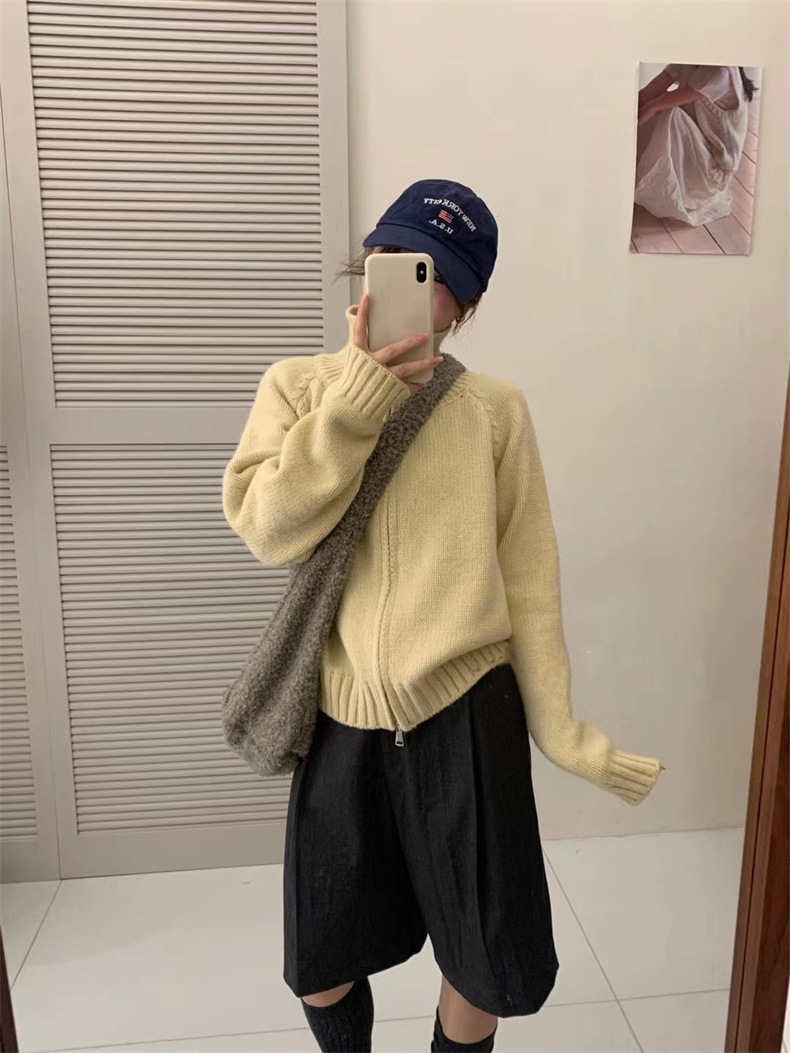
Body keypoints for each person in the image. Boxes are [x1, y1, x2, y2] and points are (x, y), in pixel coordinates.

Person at [222, 178, 665, 1053]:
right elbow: (266, 529)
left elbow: (529, 582)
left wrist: (562, 730)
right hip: (344, 720)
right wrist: (354, 408)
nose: (411, 287)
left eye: (438, 277)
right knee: (320, 955)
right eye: (397, 260)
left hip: (468, 716)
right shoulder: (298, 388)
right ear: (370, 264)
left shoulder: (493, 410)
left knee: (481, 957)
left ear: (462, 306)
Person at [635, 65, 758, 227]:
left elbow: (654, 106)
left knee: (669, 113)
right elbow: (648, 93)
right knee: (655, 108)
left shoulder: (721, 72)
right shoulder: (691, 61)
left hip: (714, 168)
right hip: (697, 148)